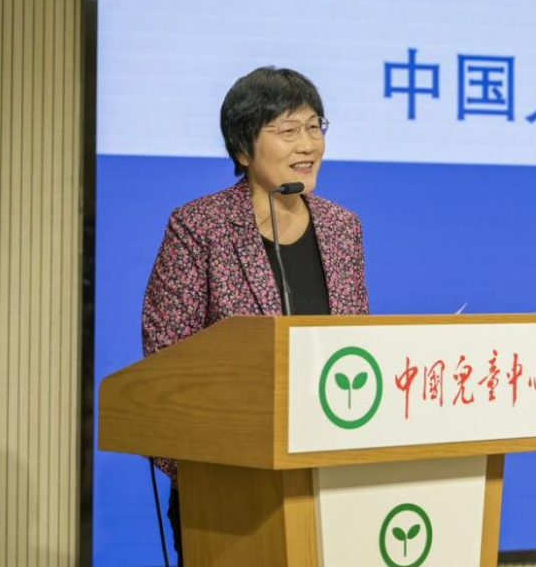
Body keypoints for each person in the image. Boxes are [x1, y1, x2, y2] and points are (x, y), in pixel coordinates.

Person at [141, 67, 369, 564]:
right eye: (288, 130)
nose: (307, 144)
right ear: (243, 148)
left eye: (315, 127)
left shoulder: (342, 228)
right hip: (227, 483)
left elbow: (355, 352)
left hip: (326, 473)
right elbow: (166, 362)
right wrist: (203, 472)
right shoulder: (199, 227)